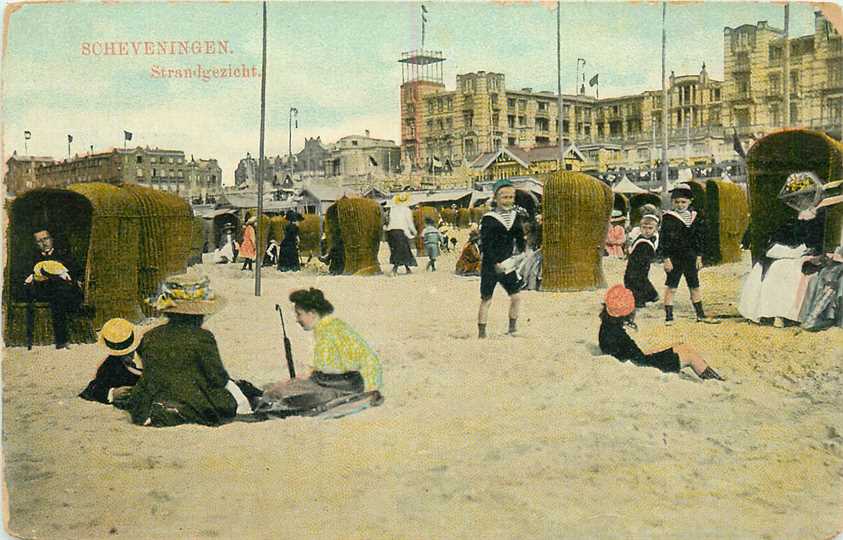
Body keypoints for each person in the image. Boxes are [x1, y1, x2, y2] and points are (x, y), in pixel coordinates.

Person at [114, 272, 261, 427]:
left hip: (147, 404)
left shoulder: (150, 336)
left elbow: (152, 371)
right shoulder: (203, 337)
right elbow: (217, 378)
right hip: (192, 403)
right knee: (230, 398)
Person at [262, 288, 383, 407]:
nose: (297, 320)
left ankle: (269, 402)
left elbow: (327, 371)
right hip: (350, 382)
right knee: (284, 387)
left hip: (343, 385)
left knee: (285, 392)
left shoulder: (328, 333)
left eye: (299, 314)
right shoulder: (332, 326)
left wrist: (299, 382)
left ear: (312, 314)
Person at [598, 285, 724, 380]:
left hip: (638, 361)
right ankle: (717, 381)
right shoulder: (619, 335)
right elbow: (640, 360)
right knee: (690, 355)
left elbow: (635, 354)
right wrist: (664, 350)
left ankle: (716, 379)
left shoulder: (608, 327)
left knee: (681, 347)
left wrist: (669, 347)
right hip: (645, 367)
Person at [657, 183, 718, 325]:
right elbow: (664, 240)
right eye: (676, 202)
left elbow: (699, 239)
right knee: (672, 287)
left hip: (690, 257)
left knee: (694, 286)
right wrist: (666, 259)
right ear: (672, 202)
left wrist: (699, 257)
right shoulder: (668, 218)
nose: (680, 205)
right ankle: (669, 316)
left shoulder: (695, 217)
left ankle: (700, 315)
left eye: (683, 202)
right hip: (674, 258)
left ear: (690, 201)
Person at [477, 179, 527, 338]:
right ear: (496, 198)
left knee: (516, 297)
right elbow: (486, 244)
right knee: (486, 299)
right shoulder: (488, 218)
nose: (508, 200)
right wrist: (494, 263)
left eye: (511, 197)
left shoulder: (515, 216)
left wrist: (522, 250)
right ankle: (482, 332)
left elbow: (519, 236)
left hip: (508, 264)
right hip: (490, 265)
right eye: (504, 197)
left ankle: (512, 328)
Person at [24, 228, 84, 349]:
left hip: (61, 292)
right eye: (39, 241)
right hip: (42, 291)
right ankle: (61, 340)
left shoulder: (64, 254)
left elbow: (74, 273)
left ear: (52, 239)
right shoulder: (31, 258)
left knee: (60, 294)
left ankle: (62, 340)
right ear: (35, 244)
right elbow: (28, 277)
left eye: (46, 239)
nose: (44, 243)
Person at [79, 318, 143, 404]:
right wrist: (112, 393)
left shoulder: (154, 350)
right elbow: (92, 390)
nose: (125, 354)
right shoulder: (112, 363)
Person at [624, 213, 660, 308]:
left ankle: (640, 300)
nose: (647, 231)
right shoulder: (639, 237)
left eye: (650, 228)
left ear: (655, 229)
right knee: (631, 279)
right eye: (644, 227)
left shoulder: (652, 240)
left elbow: (652, 253)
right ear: (640, 228)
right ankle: (651, 295)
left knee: (638, 280)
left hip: (642, 264)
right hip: (633, 263)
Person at [384, 193, 418, 275]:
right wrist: (414, 232)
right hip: (400, 231)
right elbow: (409, 223)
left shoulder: (392, 209)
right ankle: (394, 270)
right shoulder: (406, 210)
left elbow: (388, 221)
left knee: (397, 249)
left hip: (391, 232)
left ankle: (407, 269)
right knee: (402, 250)